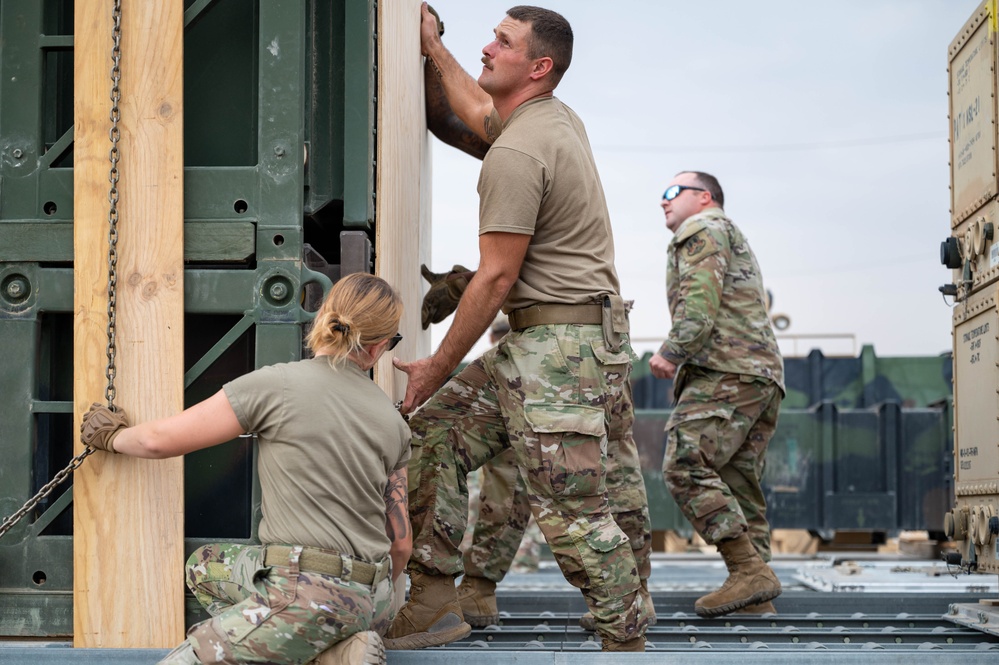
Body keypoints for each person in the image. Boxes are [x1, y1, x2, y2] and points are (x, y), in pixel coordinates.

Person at [385, 4, 651, 652]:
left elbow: (497, 277)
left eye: (501, 43)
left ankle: (627, 635)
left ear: (537, 66)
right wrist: (432, 49)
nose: (487, 47)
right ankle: (430, 599)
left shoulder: (518, 152)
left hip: (557, 354)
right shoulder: (547, 118)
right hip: (549, 344)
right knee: (434, 436)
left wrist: (434, 366)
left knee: (570, 512)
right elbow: (479, 113)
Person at [79, 272, 412, 665]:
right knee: (206, 567)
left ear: (324, 315)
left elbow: (157, 441)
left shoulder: (279, 386)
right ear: (378, 348)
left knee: (191, 617)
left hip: (304, 593)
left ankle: (297, 644)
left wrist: (110, 437)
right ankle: (335, 652)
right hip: (372, 603)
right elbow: (401, 544)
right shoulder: (394, 424)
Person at [650, 171, 785, 617]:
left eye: (673, 192)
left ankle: (748, 571)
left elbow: (699, 300)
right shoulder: (727, 232)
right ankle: (756, 598)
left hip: (724, 369)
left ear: (704, 197)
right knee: (738, 483)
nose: (664, 202)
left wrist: (673, 351)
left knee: (685, 462)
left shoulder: (702, 229)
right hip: (759, 373)